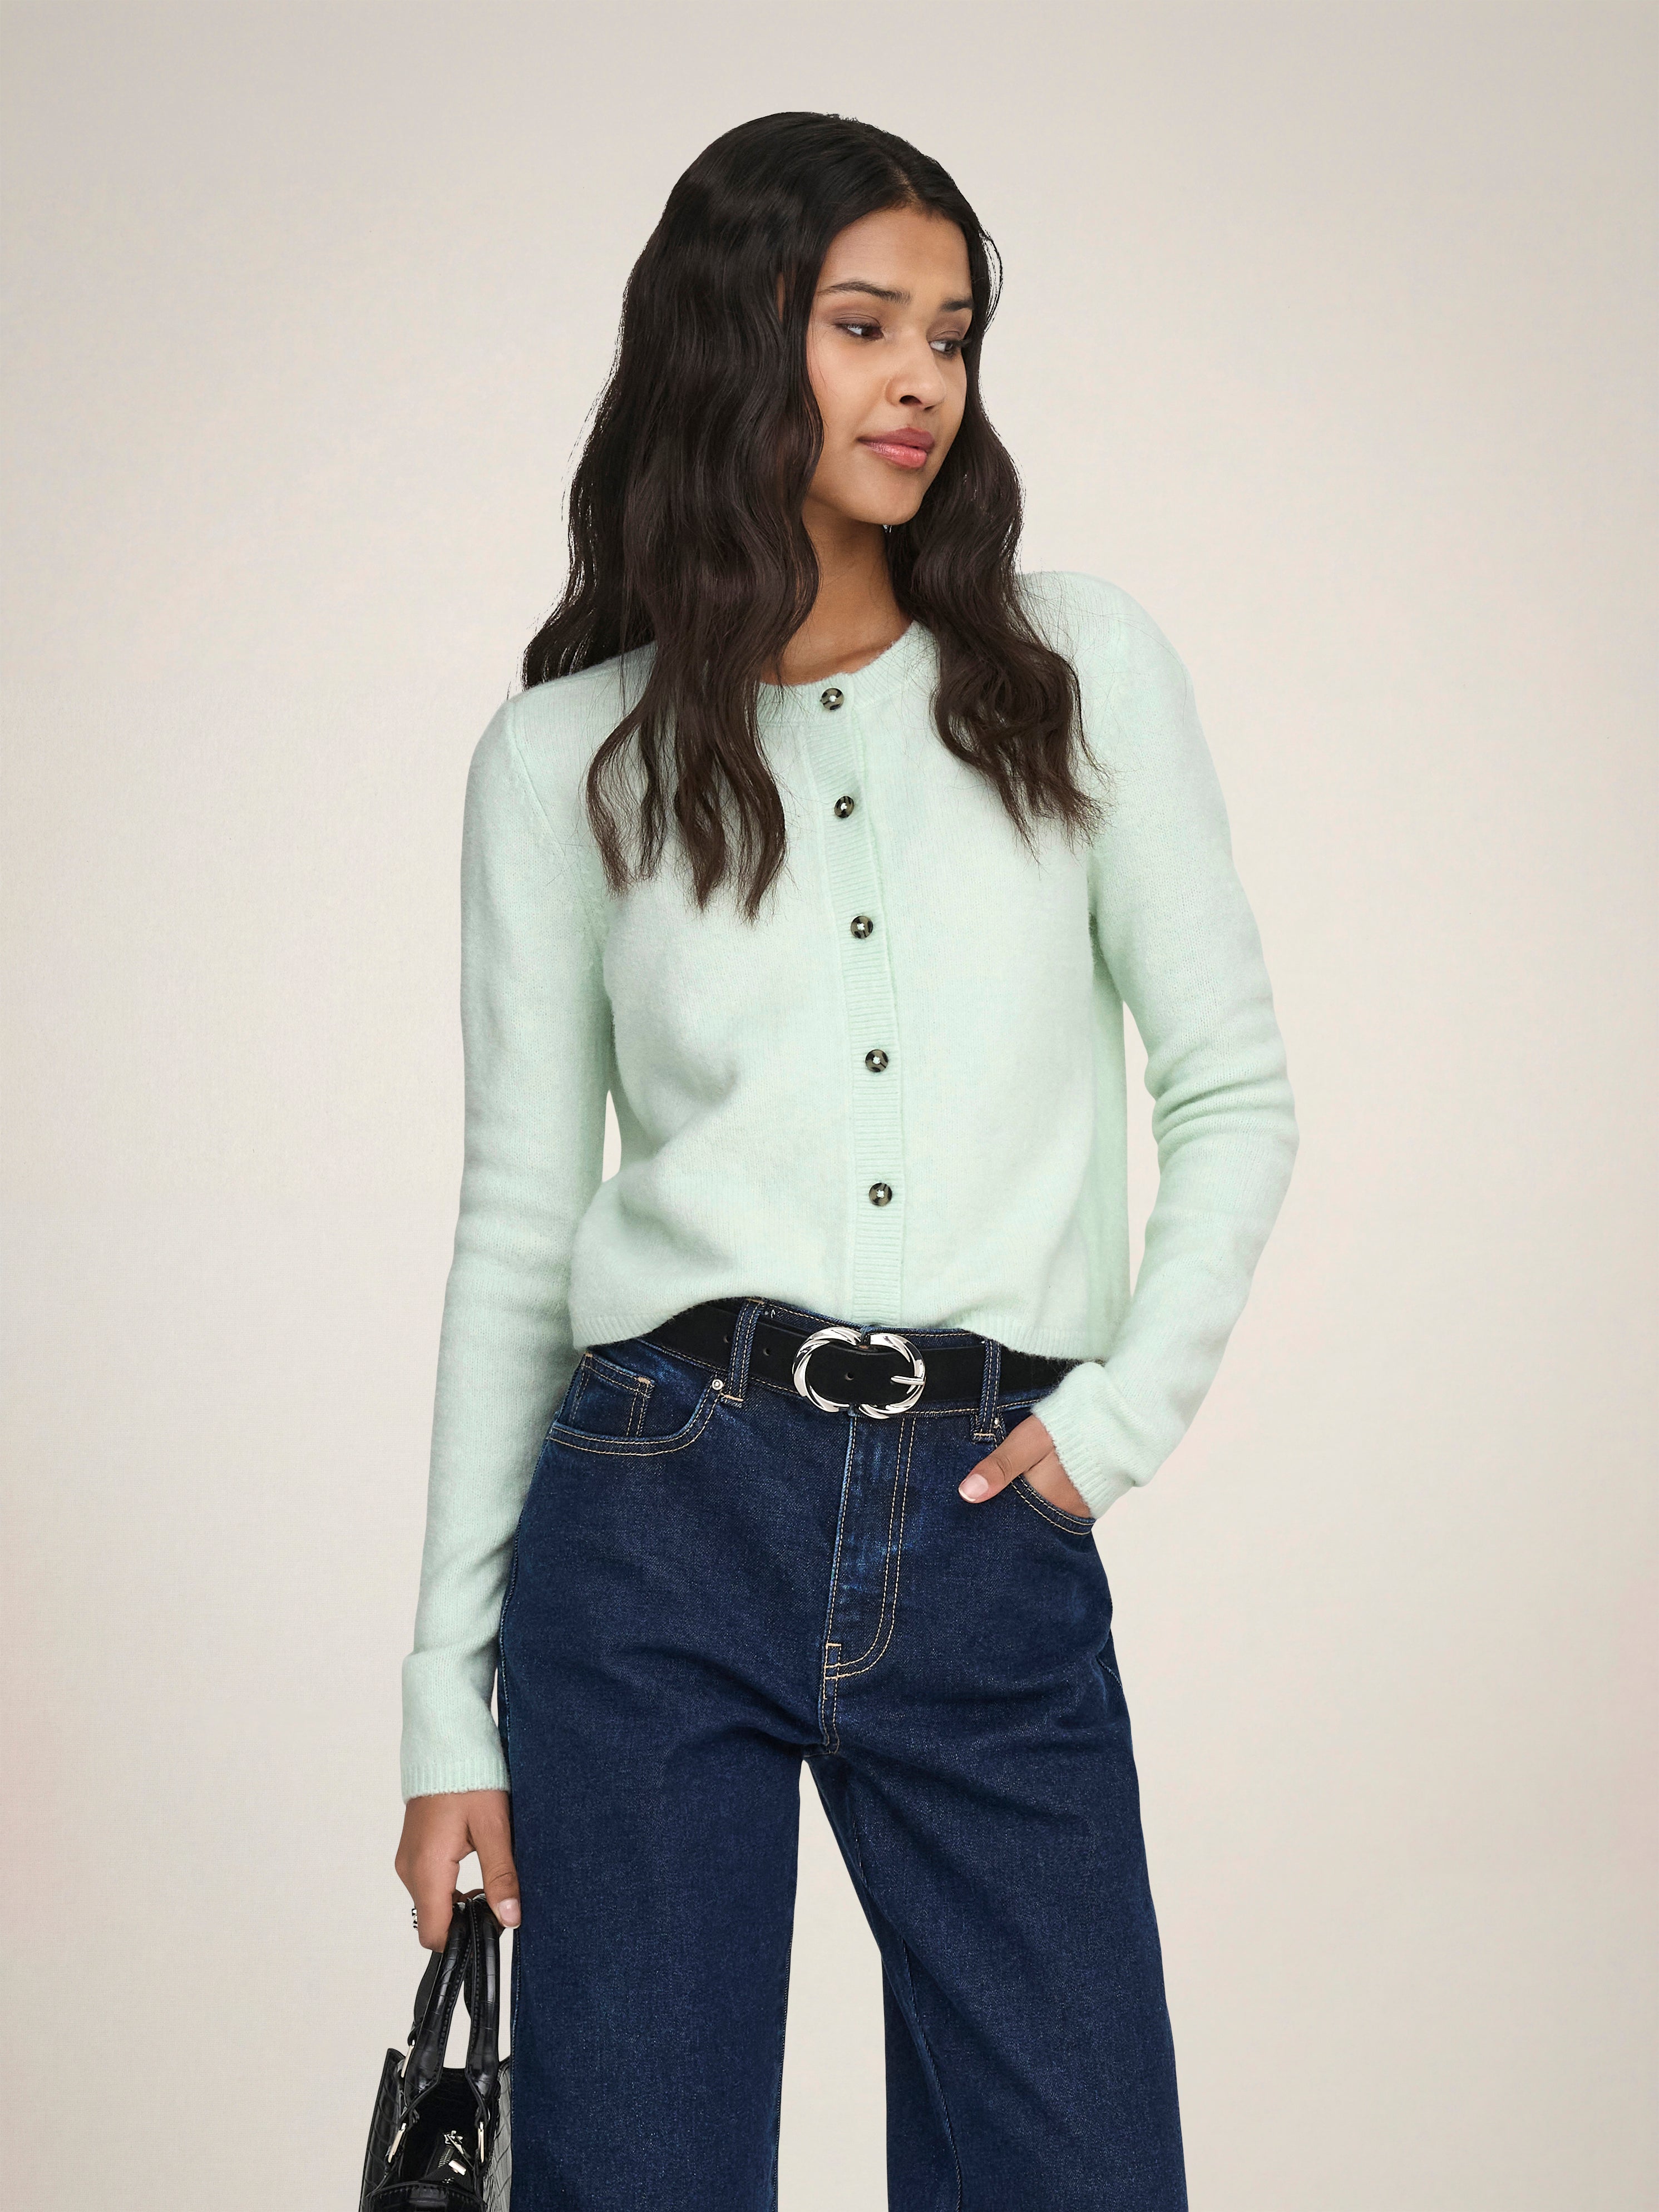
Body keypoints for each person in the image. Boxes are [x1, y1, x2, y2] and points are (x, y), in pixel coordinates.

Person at [393, 110, 1298, 2211]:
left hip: (988, 1520)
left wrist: (1110, 1429)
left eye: (953, 337)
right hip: (655, 1509)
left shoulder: (1074, 671)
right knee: (641, 2174)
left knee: (1081, 2167)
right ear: (735, 343)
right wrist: (447, 1703)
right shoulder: (565, 759)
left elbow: (1235, 1091)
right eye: (866, 325)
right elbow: (519, 1230)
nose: (923, 384)